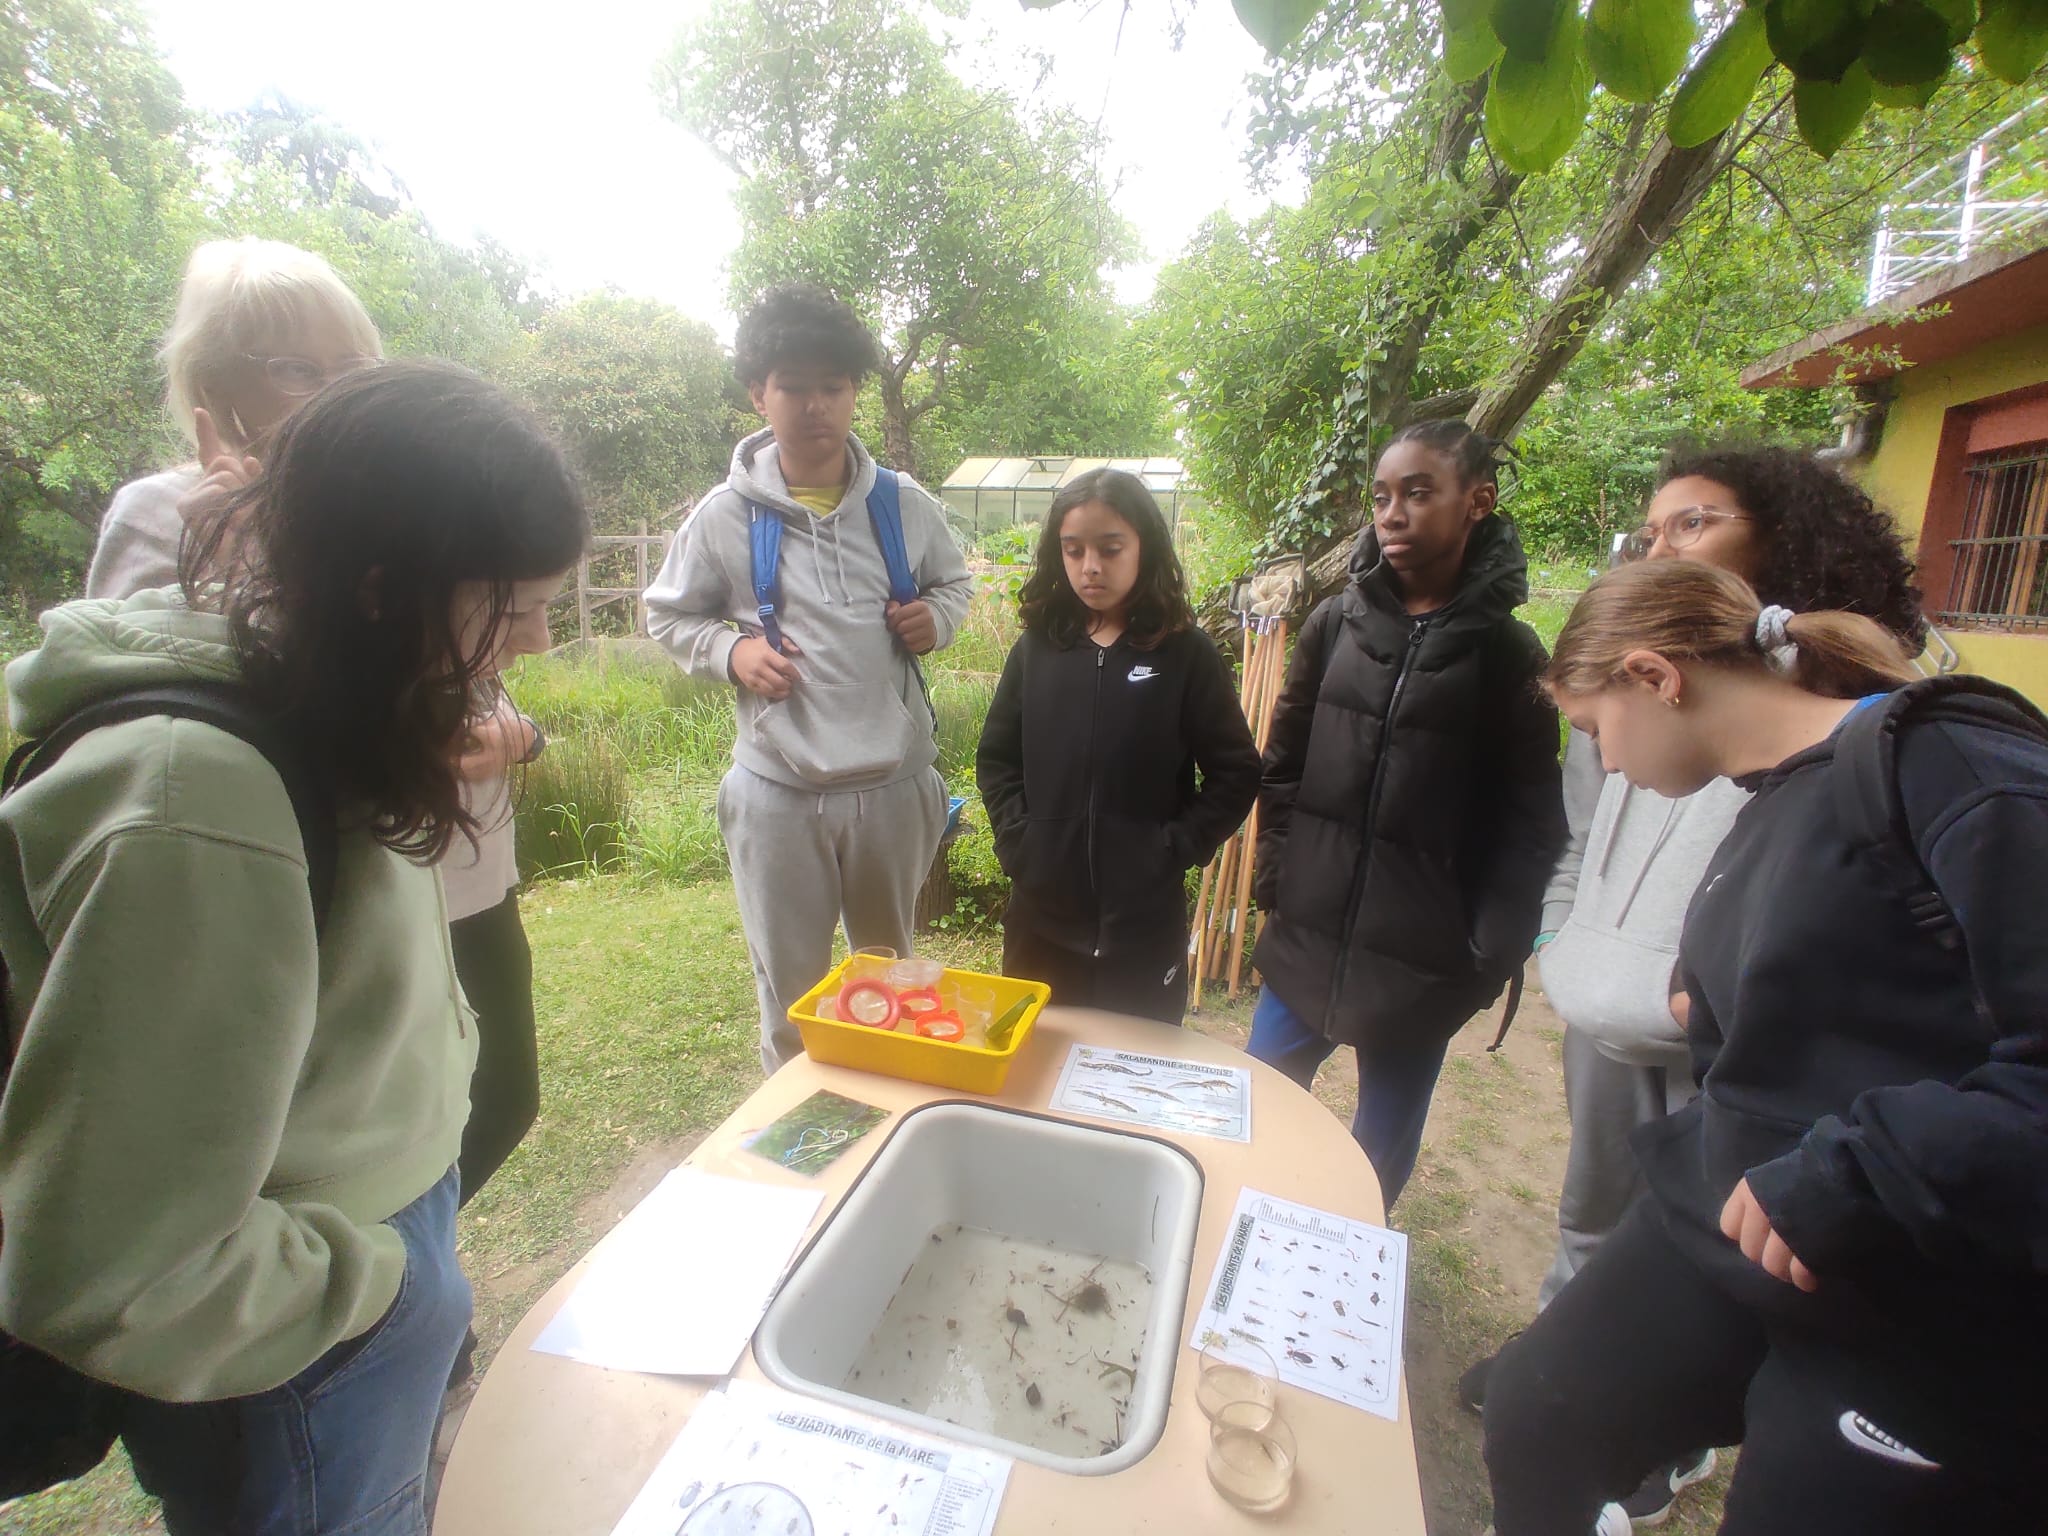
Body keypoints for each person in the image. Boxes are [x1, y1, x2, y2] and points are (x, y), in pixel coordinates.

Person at [0, 361, 587, 1534]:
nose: (534, 637)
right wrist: (380, 1288)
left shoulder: (325, 692)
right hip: (295, 1357)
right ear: (380, 587)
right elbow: (117, 1263)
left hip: (349, 1264)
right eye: (509, 603)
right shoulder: (194, 806)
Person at [1483, 559, 2048, 1536]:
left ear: (1655, 677)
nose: (1604, 765)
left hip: (1909, 1285)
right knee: (1536, 1417)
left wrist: (1862, 1169)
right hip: (1738, 1219)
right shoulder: (1771, 797)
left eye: (1596, 729)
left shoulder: (1952, 763)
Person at [1456, 444, 1930, 1527]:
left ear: (1657, 681)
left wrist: (1845, 1155)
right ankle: (1583, 1379)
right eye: (1651, 529)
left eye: (1694, 522)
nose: (1662, 544)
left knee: (1713, 1330)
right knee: (1555, 1354)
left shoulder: (1902, 752)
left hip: (1816, 1175)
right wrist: (1579, 941)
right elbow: (1589, 831)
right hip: (1675, 1064)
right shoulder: (1740, 766)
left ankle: (1660, 1440)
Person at [643, 284, 973, 1072]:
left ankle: (887, 1121)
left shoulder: (904, 505)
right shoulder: (722, 517)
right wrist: (731, 654)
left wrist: (935, 618)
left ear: (856, 391)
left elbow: (954, 585)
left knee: (890, 982)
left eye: (834, 385)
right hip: (777, 793)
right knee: (790, 991)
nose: (816, 405)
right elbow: (668, 615)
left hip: (894, 788)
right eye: (793, 387)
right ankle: (797, 1128)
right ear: (759, 394)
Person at [1247, 418, 1566, 1207]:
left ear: (1477, 501)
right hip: (1306, 936)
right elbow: (1283, 766)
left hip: (1423, 965)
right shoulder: (1333, 625)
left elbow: (1531, 823)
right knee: (1252, 1116)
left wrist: (1484, 951)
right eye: (1382, 496)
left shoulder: (1511, 657)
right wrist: (1280, 880)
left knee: (1376, 1155)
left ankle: (1347, 1260)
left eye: (1418, 493)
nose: (1393, 514)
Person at [975, 468, 1259, 1021]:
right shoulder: (1037, 650)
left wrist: (1171, 848)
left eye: (1110, 549)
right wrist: (1020, 843)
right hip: (1039, 925)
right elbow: (997, 759)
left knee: (1136, 1066)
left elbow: (1236, 771)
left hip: (1144, 929)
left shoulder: (1185, 654)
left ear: (1143, 547)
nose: (1091, 566)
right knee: (1037, 1057)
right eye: (1073, 550)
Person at [84, 237, 382, 599]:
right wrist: (240, 575)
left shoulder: (388, 510)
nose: (334, 392)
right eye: (297, 369)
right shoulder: (157, 517)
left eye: (352, 368)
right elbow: (119, 636)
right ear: (217, 385)